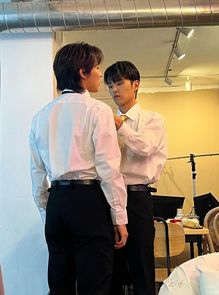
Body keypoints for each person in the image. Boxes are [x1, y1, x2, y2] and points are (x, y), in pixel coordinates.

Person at [29, 43, 128, 295]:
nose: (99, 72)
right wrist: (119, 217)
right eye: (96, 67)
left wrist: (47, 210)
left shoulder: (41, 116)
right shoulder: (97, 110)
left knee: (60, 284)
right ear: (83, 72)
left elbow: (37, 173)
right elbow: (108, 168)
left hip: (57, 203)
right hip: (89, 203)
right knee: (94, 283)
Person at [104, 61, 167, 295]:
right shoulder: (106, 122)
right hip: (110, 197)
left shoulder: (153, 119)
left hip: (137, 196)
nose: (114, 91)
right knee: (112, 268)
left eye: (119, 83)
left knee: (141, 266)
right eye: (110, 86)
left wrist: (120, 126)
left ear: (136, 85)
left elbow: (146, 148)